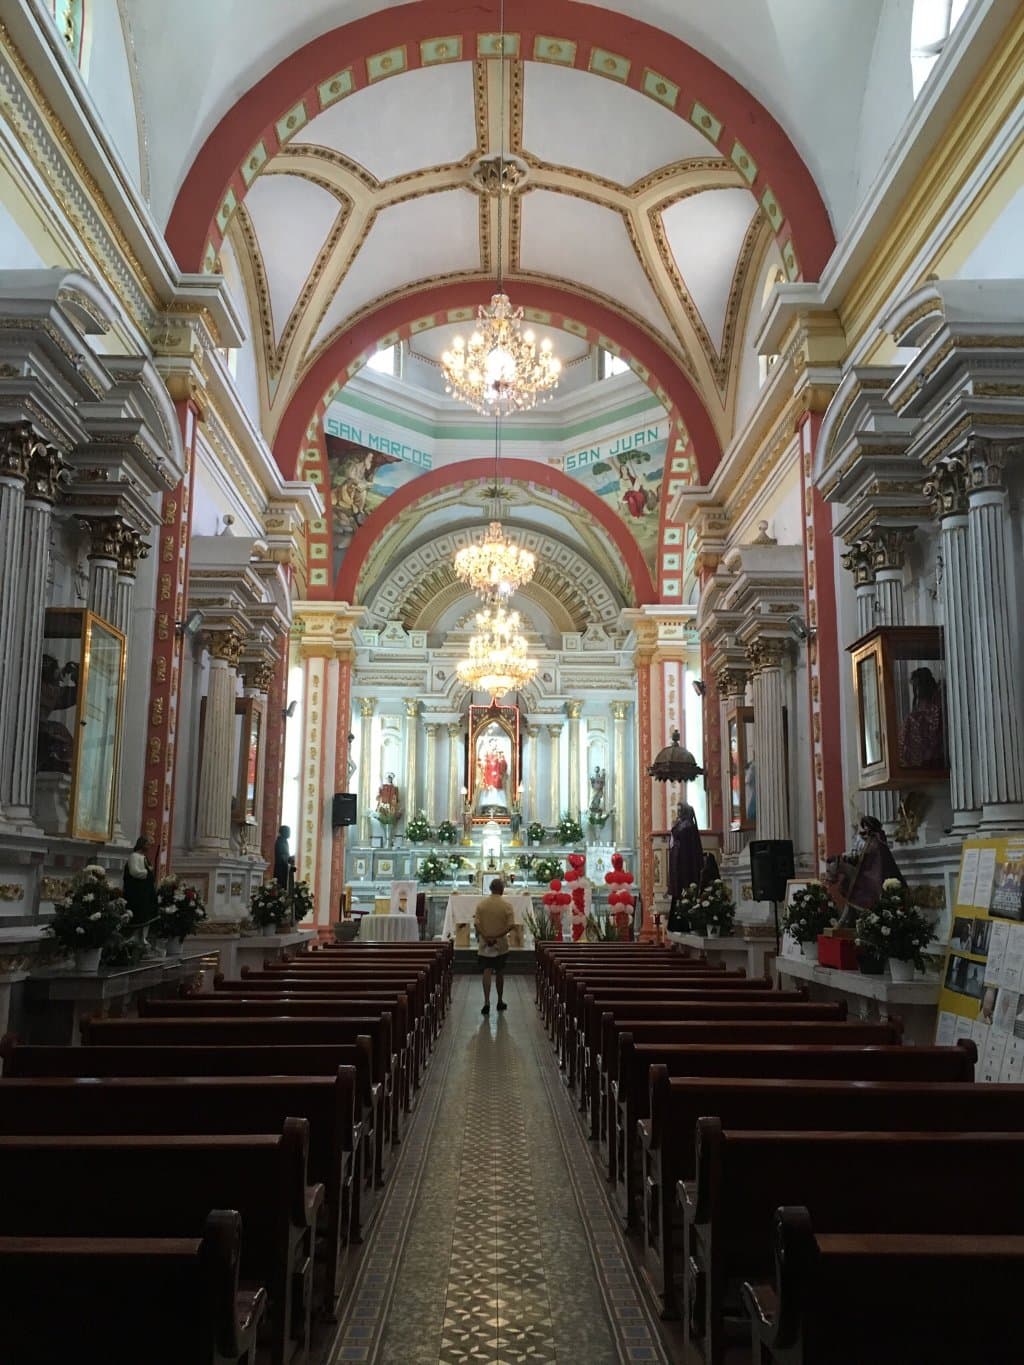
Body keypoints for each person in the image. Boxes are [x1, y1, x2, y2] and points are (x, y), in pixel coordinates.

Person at [473, 877, 515, 1015]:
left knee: (486, 971)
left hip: (485, 944)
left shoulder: (481, 905)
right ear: (502, 890)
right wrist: (496, 937)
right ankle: (500, 1001)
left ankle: (486, 1001)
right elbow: (510, 926)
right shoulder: (507, 905)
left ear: (490, 888)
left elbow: (477, 924)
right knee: (500, 972)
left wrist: (486, 937)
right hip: (501, 944)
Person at [123, 835, 158, 926]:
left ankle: (142, 936)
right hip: (137, 891)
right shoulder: (134, 856)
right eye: (147, 844)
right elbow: (134, 872)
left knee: (146, 914)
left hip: (144, 890)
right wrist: (147, 872)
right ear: (142, 844)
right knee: (139, 915)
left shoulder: (143, 857)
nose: (149, 847)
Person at [274, 824, 294, 889]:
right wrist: (289, 859)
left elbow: (285, 855)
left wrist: (290, 858)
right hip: (280, 869)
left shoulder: (285, 841)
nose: (289, 833)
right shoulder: (280, 841)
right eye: (288, 831)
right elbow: (281, 855)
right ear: (283, 832)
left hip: (284, 868)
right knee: (281, 885)